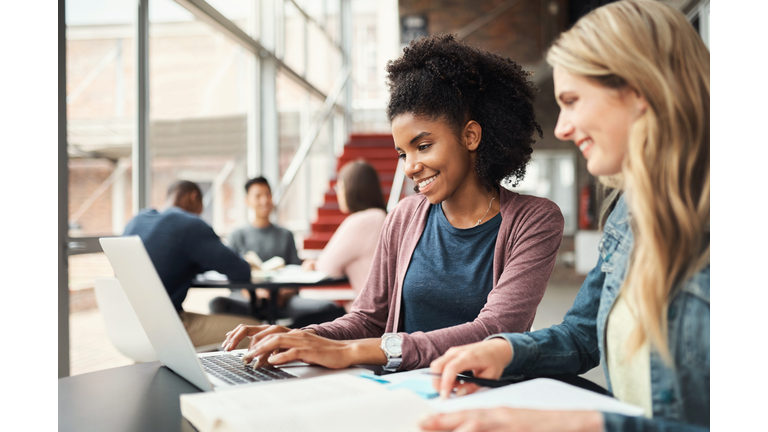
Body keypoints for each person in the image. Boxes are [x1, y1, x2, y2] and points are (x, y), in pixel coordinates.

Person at [424, 2, 710, 431]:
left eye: (572, 101)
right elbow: (582, 335)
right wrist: (505, 351)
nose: (561, 128)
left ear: (641, 90)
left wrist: (587, 425)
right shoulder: (629, 213)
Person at [221, 34, 565, 372]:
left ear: (470, 136)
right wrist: (301, 336)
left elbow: (495, 330)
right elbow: (369, 317)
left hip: (482, 395)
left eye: (423, 146)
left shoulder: (534, 220)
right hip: (401, 388)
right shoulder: (404, 215)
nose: (410, 166)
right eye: (403, 153)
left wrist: (358, 351)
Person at [122, 180, 261, 349]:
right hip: (167, 328)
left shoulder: (136, 220)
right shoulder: (190, 224)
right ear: (194, 197)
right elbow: (240, 271)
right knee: (257, 330)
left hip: (128, 326)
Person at [209, 176, 346, 328]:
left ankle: (289, 335)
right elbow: (231, 278)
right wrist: (251, 292)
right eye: (258, 196)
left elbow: (297, 274)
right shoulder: (237, 235)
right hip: (247, 301)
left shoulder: (285, 234)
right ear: (247, 200)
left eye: (268, 195)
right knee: (217, 304)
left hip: (283, 301)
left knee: (329, 309)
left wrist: (284, 293)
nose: (264, 200)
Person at [302, 160, 388, 310]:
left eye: (339, 186)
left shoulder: (361, 220)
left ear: (352, 189)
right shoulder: (382, 216)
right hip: (386, 311)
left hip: (370, 315)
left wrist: (315, 264)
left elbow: (326, 267)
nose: (337, 192)